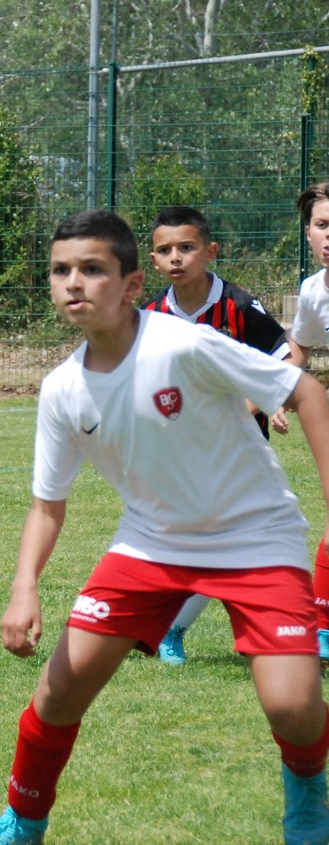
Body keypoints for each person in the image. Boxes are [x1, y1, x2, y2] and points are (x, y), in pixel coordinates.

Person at [0, 209, 329, 845]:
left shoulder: (183, 344)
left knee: (293, 706)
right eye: (61, 270)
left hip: (256, 539)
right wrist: (24, 588)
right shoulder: (62, 389)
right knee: (60, 691)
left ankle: (306, 791)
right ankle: (22, 821)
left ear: (132, 284)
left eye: (92, 269)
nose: (74, 282)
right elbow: (47, 505)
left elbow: (306, 391)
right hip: (152, 545)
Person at [141, 204, 304, 665]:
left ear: (210, 251)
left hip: (237, 449)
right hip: (176, 449)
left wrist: (262, 401)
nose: (176, 257)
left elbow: (288, 358)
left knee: (229, 536)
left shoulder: (239, 305)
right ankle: (158, 623)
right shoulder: (150, 316)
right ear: (153, 260)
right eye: (165, 250)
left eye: (187, 247)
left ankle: (168, 626)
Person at [289, 181, 329, 668]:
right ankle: (321, 630)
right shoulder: (314, 291)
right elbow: (299, 348)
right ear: (309, 233)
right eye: (322, 225)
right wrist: (275, 388)